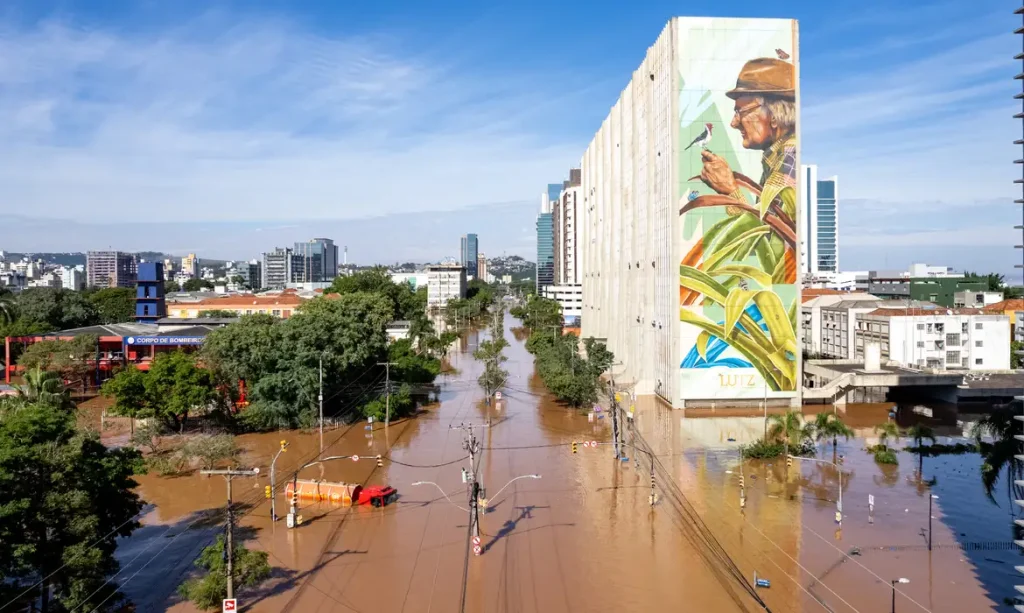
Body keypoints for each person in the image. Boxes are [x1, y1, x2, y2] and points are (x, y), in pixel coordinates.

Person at [699, 57, 797, 207]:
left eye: (740, 112)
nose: (734, 123)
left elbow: (771, 230)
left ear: (773, 116)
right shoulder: (780, 158)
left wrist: (731, 191)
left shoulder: (790, 158)